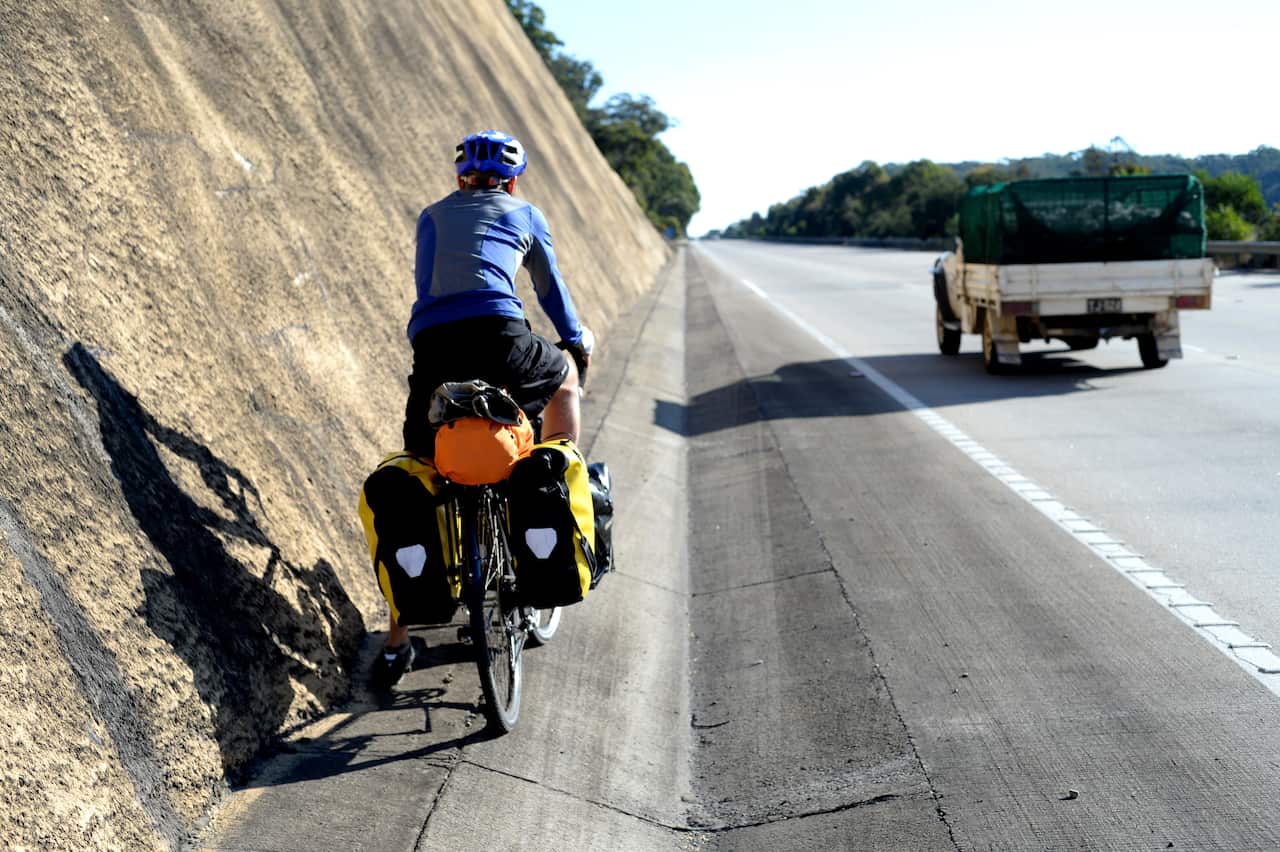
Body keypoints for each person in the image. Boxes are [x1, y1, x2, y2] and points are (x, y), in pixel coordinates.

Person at [373, 129, 593, 688]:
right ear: (512, 180)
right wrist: (576, 342)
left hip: (435, 349)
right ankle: (551, 480)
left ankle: (397, 645)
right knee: (564, 380)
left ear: (458, 178)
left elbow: (428, 289)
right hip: (502, 338)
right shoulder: (525, 213)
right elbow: (552, 294)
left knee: (419, 471)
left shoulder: (432, 216)